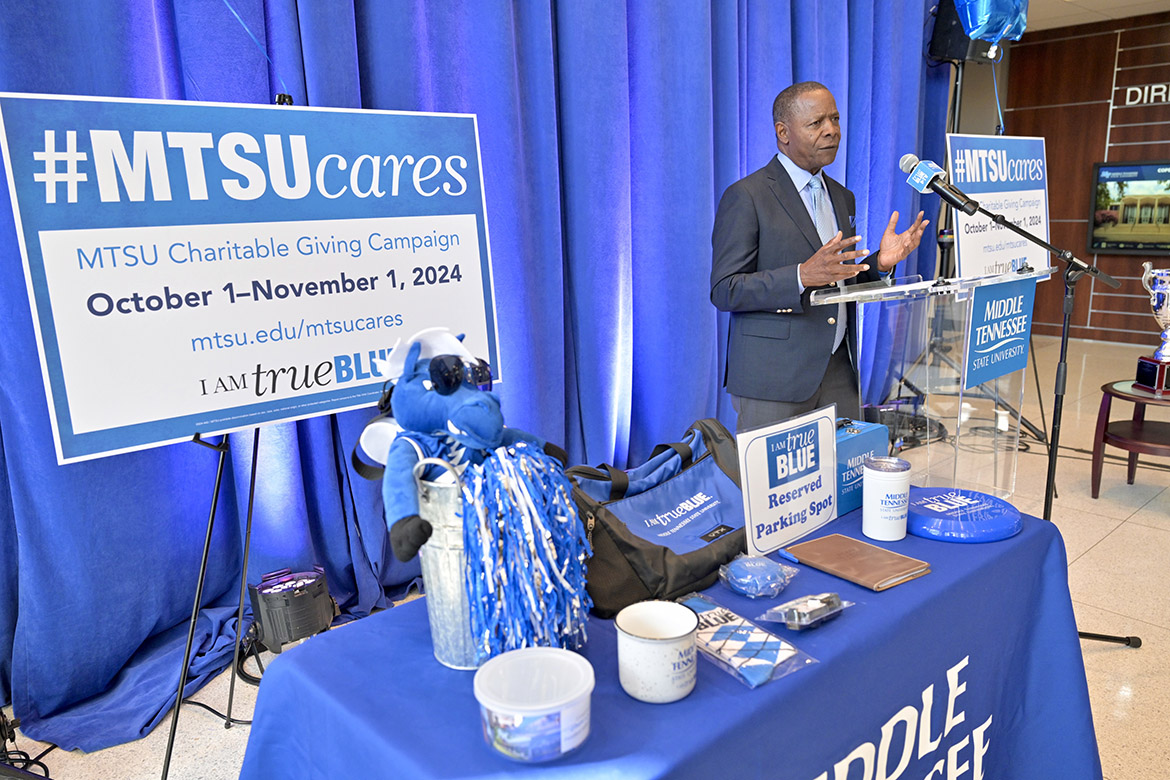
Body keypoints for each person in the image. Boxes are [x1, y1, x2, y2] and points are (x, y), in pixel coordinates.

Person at [711, 81, 928, 432]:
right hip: (775, 378)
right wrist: (800, 276)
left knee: (842, 466)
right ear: (783, 132)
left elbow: (838, 279)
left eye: (835, 119)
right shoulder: (747, 196)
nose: (832, 131)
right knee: (772, 472)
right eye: (816, 123)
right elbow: (725, 289)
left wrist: (880, 264)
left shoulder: (842, 196)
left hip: (838, 370)